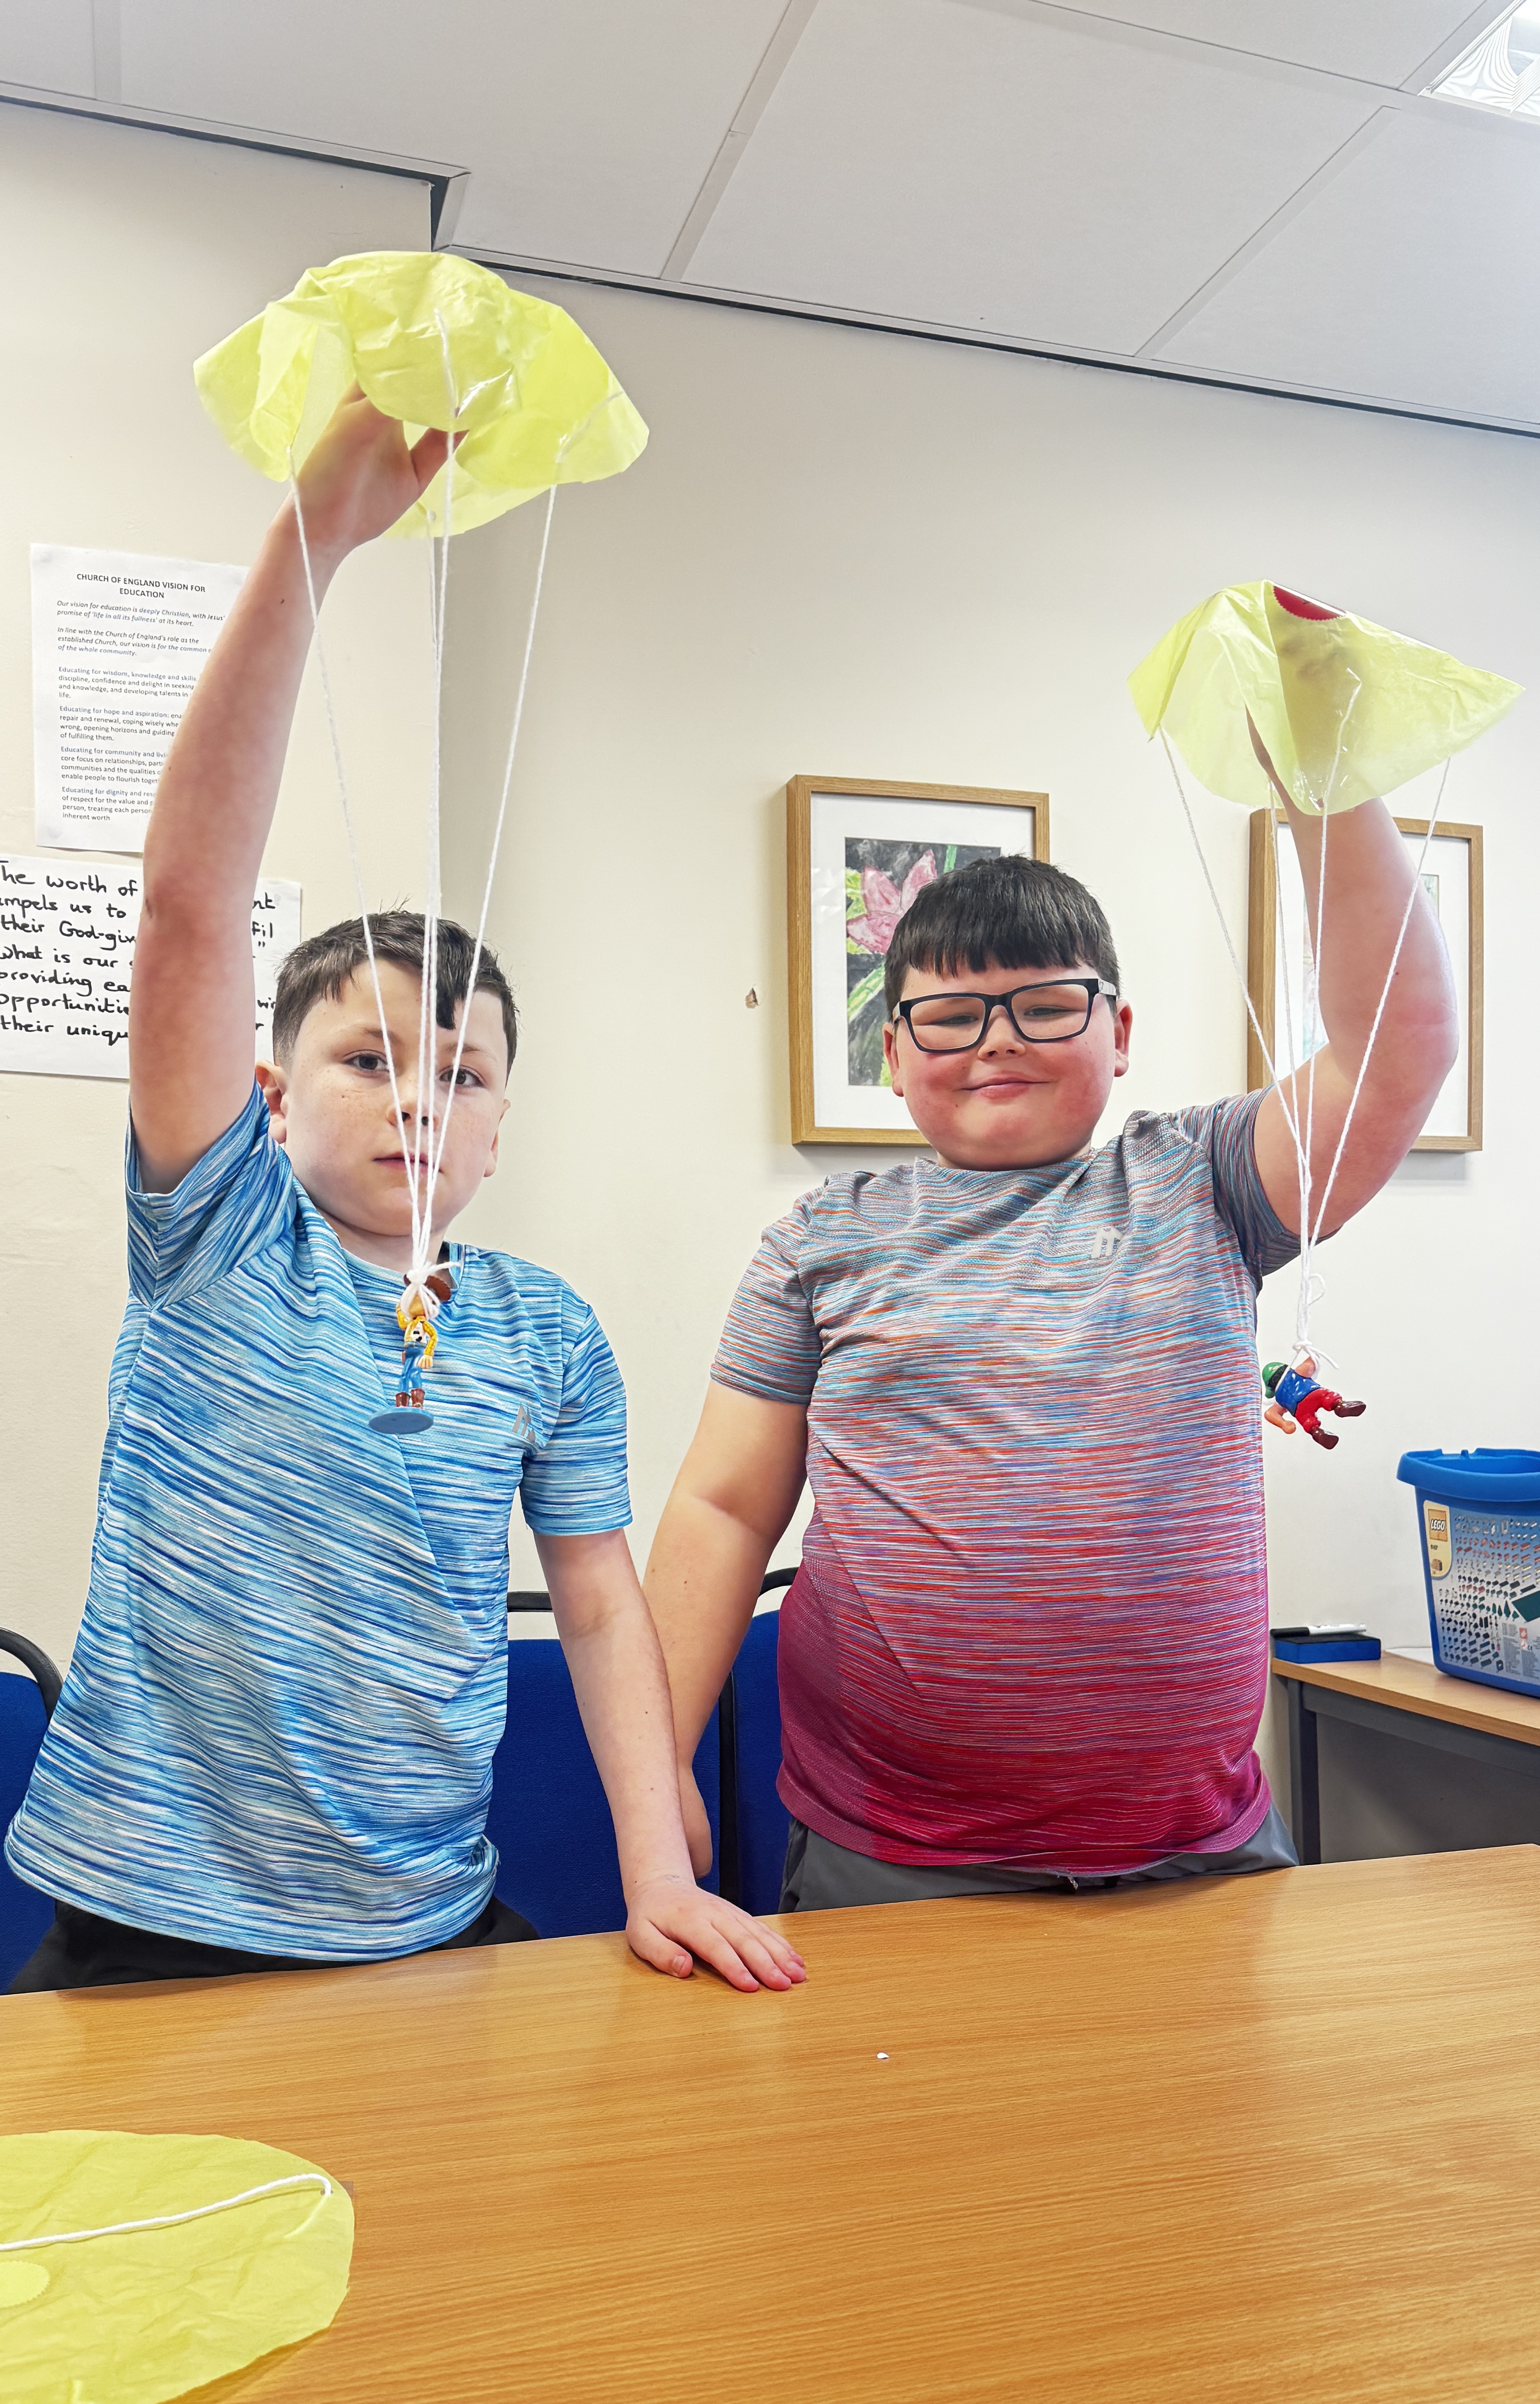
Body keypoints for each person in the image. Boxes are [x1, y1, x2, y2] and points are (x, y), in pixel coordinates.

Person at [6, 390, 803, 1998]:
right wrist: (314, 542)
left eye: (465, 1075)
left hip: (424, 1922)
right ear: (269, 1092)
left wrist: (658, 1867)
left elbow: (598, 1601)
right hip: (147, 1916)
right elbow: (188, 907)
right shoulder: (220, 1232)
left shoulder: (545, 1332)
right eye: (370, 1060)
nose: (421, 1102)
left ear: (502, 1126)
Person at [644, 784, 1456, 1912]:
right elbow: (724, 1510)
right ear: (893, 1051)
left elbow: (1399, 1045)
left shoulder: (1204, 1181)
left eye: (1043, 1006)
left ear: (1117, 1034)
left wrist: (1324, 781)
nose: (998, 1040)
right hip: (888, 1854)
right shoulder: (820, 1237)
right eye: (950, 1015)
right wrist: (652, 1778)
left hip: (1199, 1853)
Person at [1262, 1353, 1365, 1450]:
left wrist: (1283, 1424)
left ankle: (1316, 1432)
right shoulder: (1298, 1373)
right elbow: (1312, 1363)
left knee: (1307, 1421)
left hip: (1299, 1410)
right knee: (1327, 1397)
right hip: (1313, 1394)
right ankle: (1339, 1406)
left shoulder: (1279, 1399)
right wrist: (1311, 1352)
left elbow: (1270, 1413)